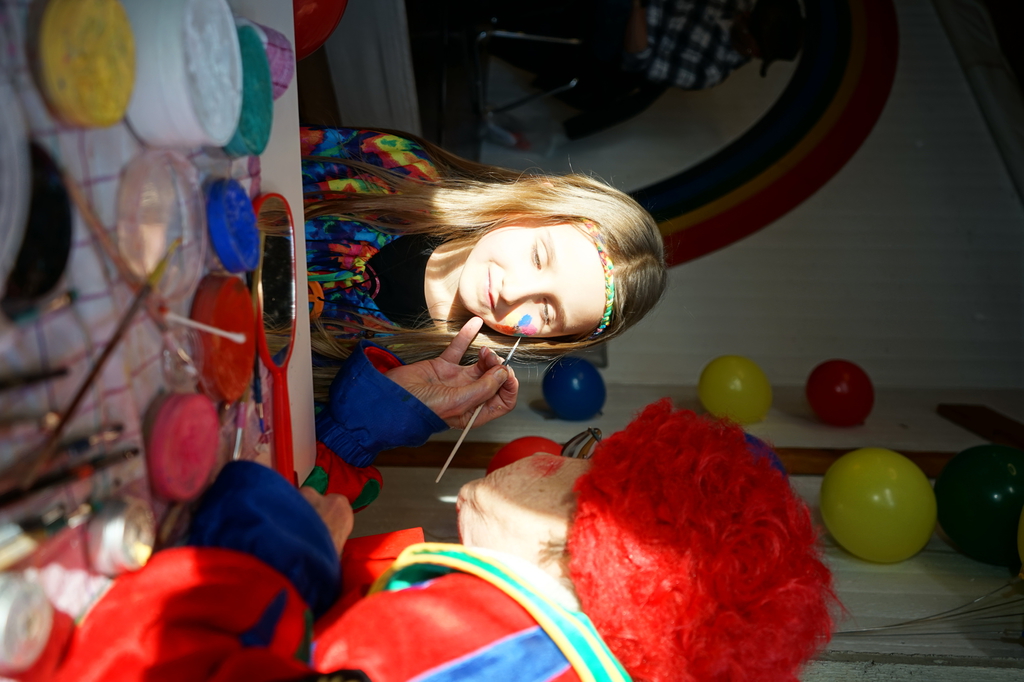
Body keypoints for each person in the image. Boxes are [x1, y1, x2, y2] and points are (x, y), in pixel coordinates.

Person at [43, 331, 836, 682]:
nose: (552, 455)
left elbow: (151, 662)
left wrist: (272, 543)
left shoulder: (486, 655)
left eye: (588, 464)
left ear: (590, 547)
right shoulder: (524, 640)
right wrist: (359, 434)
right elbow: (324, 623)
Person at [300, 125, 667, 401]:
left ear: (550, 341)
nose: (514, 292)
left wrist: (383, 418)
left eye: (546, 312)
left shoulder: (423, 379)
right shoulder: (396, 167)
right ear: (537, 204)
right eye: (538, 257)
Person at [485, 0, 805, 141]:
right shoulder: (728, 7)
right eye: (751, 15)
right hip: (618, 11)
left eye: (751, 27)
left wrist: (636, 5)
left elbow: (637, 59)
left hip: (615, 45)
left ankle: (488, 25)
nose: (744, 17)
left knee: (610, 8)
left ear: (755, 51)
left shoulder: (710, 70)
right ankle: (491, 17)